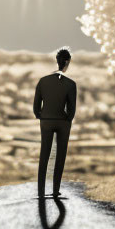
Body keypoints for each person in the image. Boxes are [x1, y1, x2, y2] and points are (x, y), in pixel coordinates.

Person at [33, 47, 77, 198]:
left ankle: (40, 191)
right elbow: (72, 109)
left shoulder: (43, 81)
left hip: (46, 120)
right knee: (60, 155)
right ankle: (55, 190)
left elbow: (35, 106)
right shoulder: (71, 84)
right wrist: (67, 118)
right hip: (63, 122)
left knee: (44, 154)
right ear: (67, 62)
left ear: (57, 61)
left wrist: (41, 116)